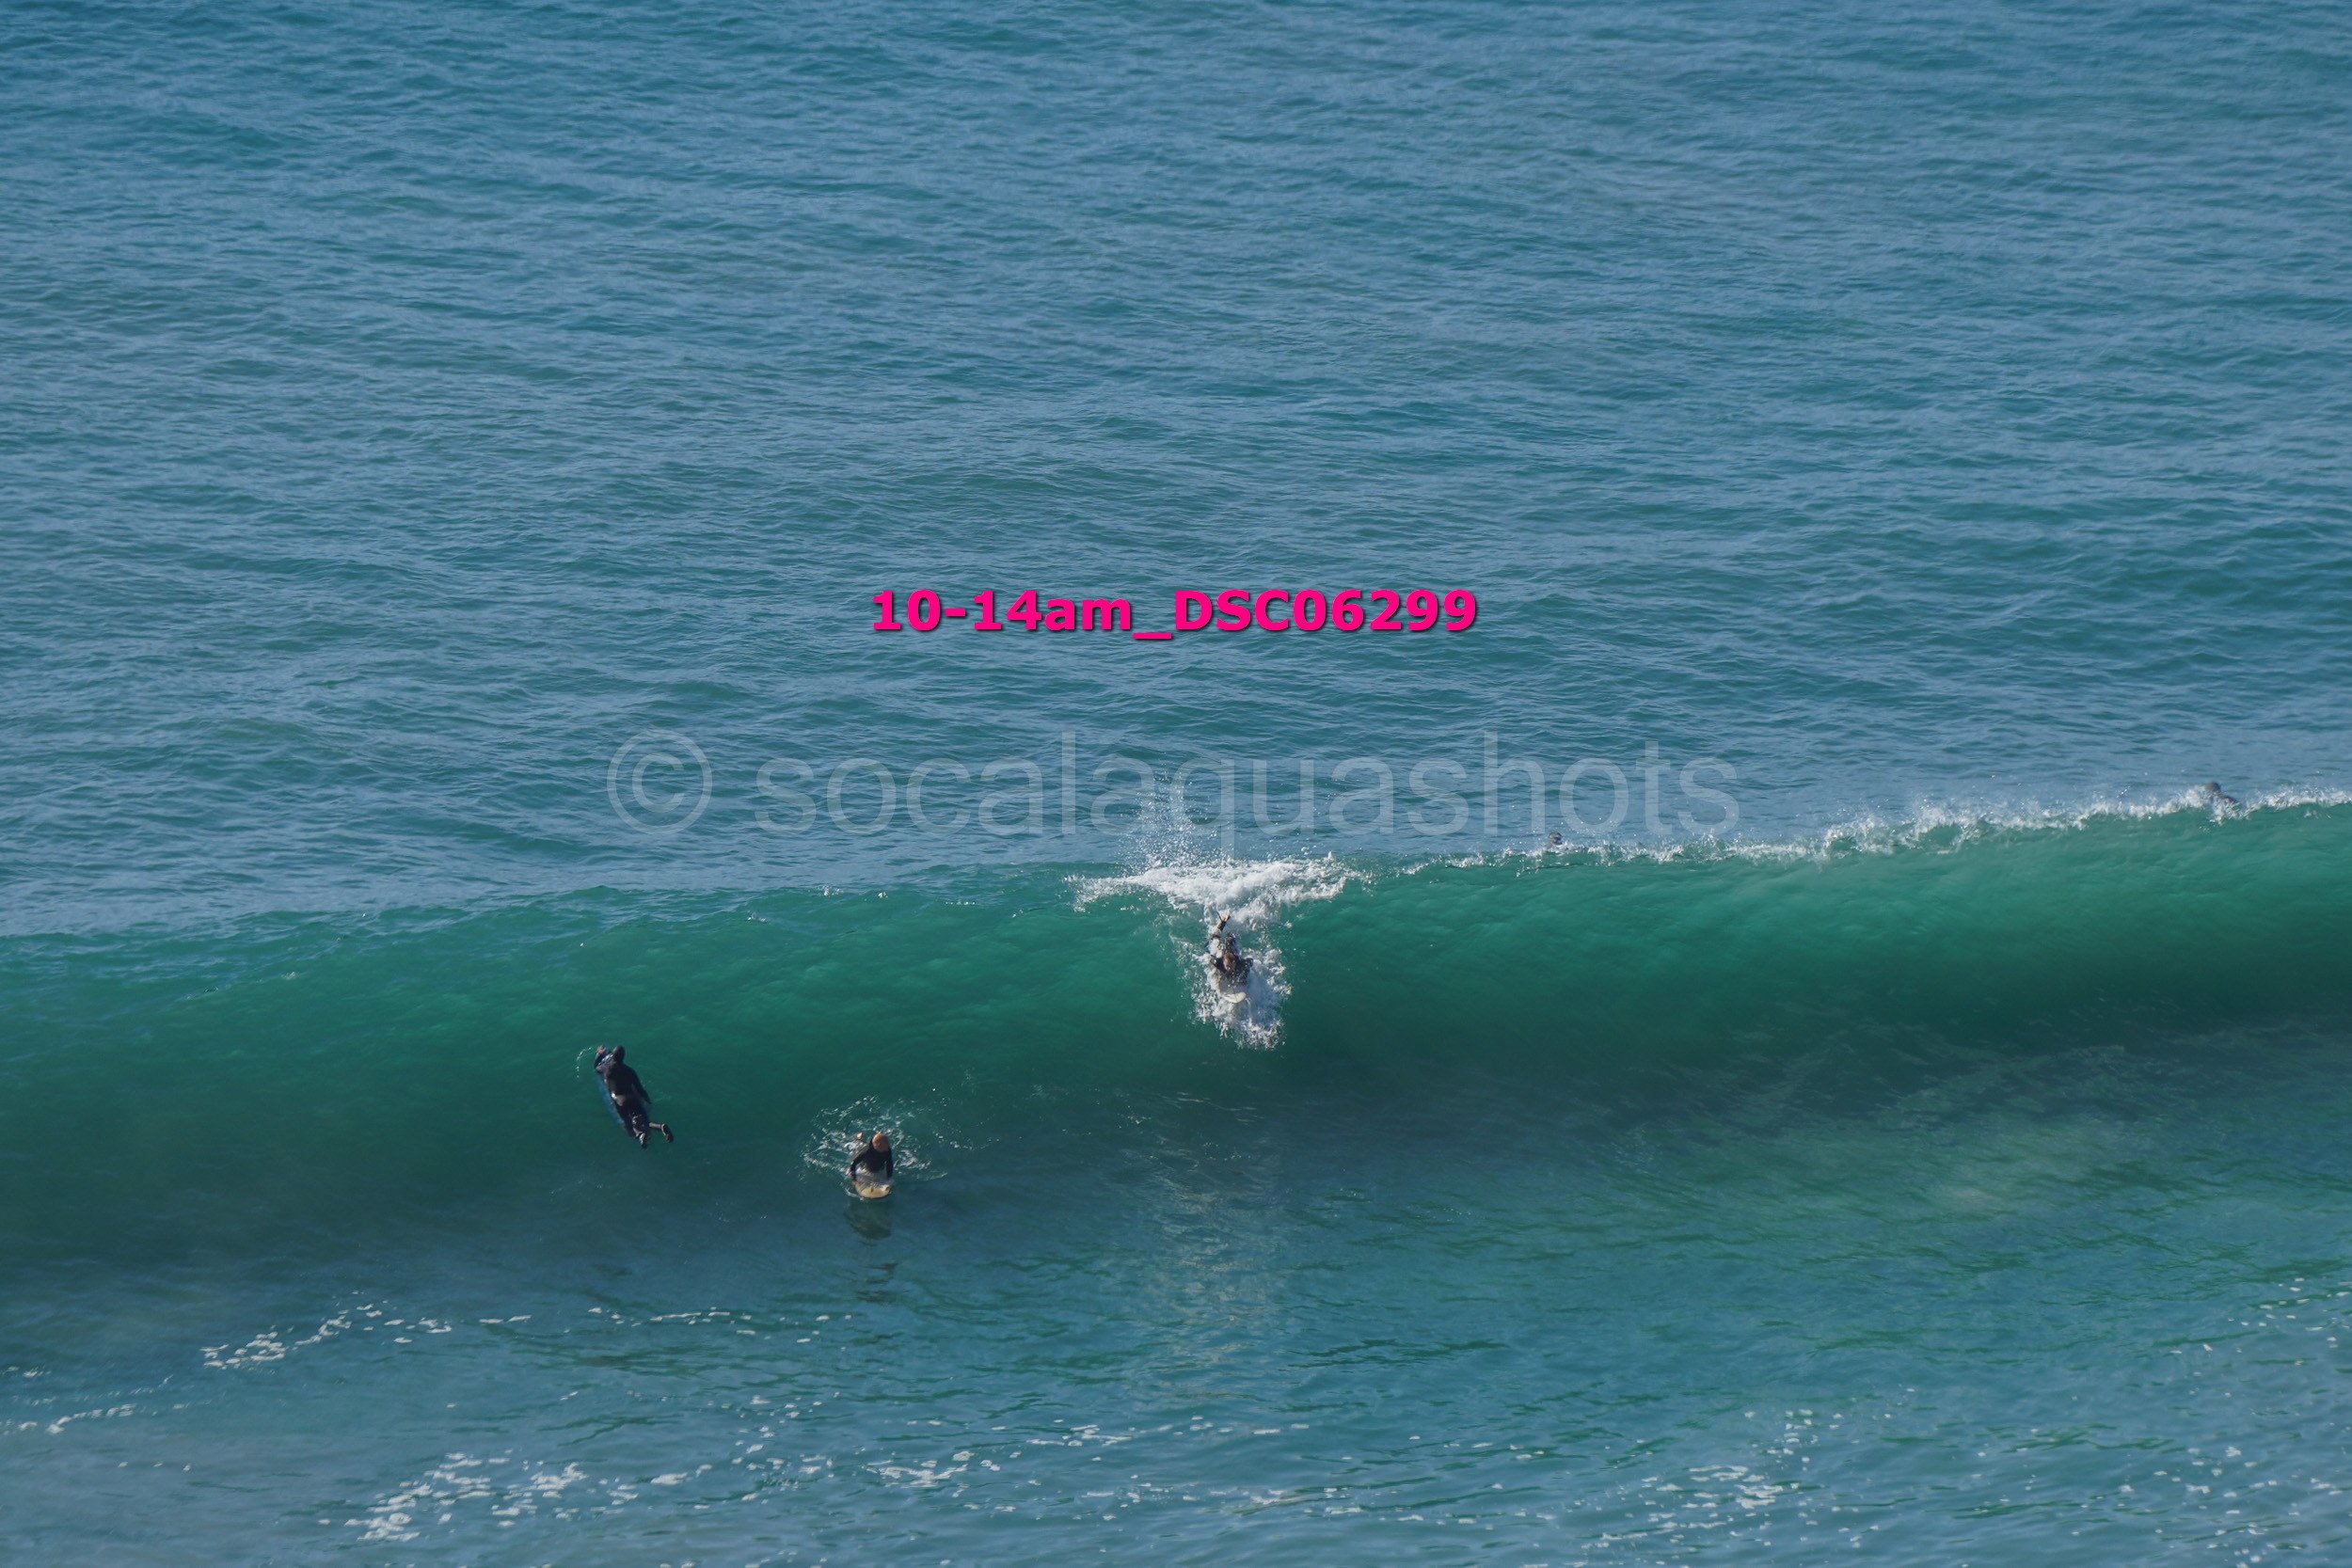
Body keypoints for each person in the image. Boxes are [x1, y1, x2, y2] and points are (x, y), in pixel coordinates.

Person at [595, 1046, 674, 1148]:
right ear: (623, 1058)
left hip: (619, 1100)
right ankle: (660, 1126)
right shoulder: (630, 1071)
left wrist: (600, 1055)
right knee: (645, 1121)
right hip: (633, 1099)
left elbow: (597, 1068)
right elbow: (640, 1089)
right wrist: (647, 1100)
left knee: (629, 1124)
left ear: (613, 1056)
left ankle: (639, 1134)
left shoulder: (606, 1068)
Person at [1209, 913, 1250, 987]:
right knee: (1215, 936)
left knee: (1231, 938)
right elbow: (1210, 961)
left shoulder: (1240, 964)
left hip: (1232, 946)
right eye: (1227, 966)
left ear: (1234, 963)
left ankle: (1230, 929)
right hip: (1222, 949)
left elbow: (1250, 962)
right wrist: (1216, 979)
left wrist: (1243, 978)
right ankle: (1223, 922)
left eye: (1231, 966)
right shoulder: (1217, 962)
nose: (1229, 968)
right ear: (1223, 963)